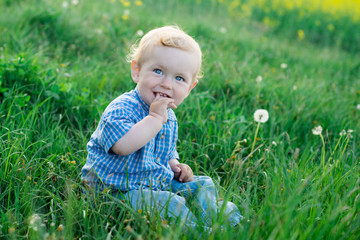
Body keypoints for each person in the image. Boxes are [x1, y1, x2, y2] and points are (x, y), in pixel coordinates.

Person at [81, 25, 243, 230]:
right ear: (137, 72)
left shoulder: (169, 116)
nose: (167, 84)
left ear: (190, 88)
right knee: (167, 203)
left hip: (151, 181)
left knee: (202, 184)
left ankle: (228, 221)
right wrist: (155, 118)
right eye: (158, 71)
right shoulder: (121, 108)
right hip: (112, 192)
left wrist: (175, 165)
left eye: (179, 78)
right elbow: (122, 146)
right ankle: (200, 231)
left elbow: (164, 150)